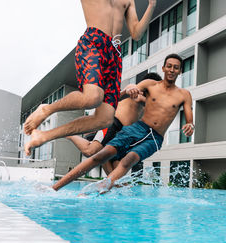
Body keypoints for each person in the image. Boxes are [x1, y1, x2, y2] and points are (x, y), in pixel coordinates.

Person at [23, 0, 157, 156]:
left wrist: (152, 5)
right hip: (94, 42)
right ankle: (47, 109)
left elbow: (136, 33)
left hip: (115, 56)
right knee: (93, 97)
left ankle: (44, 135)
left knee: (105, 119)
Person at [52, 54, 195, 193]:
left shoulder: (184, 94)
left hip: (155, 138)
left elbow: (189, 117)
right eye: (169, 66)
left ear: (180, 71)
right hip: (135, 128)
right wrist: (128, 89)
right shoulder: (149, 85)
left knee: (128, 160)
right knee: (99, 155)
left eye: (176, 67)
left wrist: (190, 125)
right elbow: (126, 94)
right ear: (163, 68)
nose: (172, 70)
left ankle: (100, 188)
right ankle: (55, 188)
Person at [66, 72, 162, 175]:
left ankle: (108, 188)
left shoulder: (149, 103)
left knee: (117, 175)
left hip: (122, 135)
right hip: (112, 123)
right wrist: (126, 91)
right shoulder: (135, 88)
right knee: (90, 150)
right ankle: (69, 134)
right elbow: (122, 95)